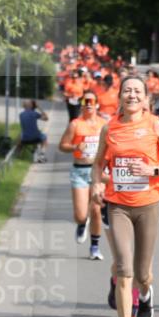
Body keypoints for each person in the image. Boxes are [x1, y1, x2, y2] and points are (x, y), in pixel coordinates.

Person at [91, 75, 159, 317]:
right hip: (117, 205)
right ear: (120, 96)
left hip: (149, 204)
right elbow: (98, 164)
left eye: (137, 91)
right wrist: (96, 184)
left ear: (145, 99)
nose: (131, 95)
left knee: (143, 273)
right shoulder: (110, 128)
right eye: (127, 90)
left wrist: (151, 172)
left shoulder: (154, 125)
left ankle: (145, 296)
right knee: (123, 268)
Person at [58, 91, 107, 258]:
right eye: (84, 100)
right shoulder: (75, 124)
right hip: (79, 171)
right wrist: (74, 147)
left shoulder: (104, 124)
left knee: (96, 210)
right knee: (80, 214)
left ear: (97, 104)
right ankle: (81, 223)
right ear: (81, 103)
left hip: (98, 173)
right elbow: (62, 145)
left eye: (91, 100)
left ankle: (94, 247)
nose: (88, 103)